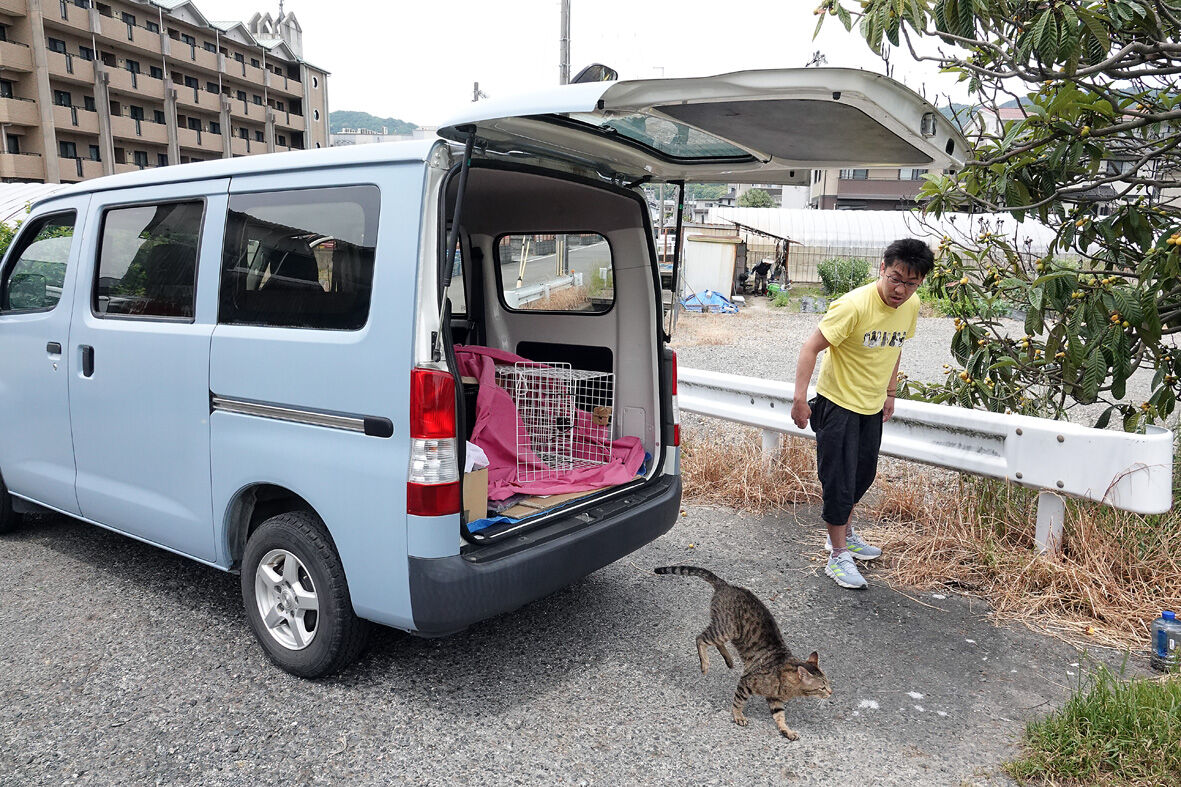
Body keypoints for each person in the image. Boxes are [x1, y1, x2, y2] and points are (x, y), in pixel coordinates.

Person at [790, 239, 934, 590]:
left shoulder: (910, 305)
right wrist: (799, 399)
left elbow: (895, 347)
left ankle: (845, 534)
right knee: (838, 481)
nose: (900, 290)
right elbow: (810, 347)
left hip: (870, 406)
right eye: (895, 278)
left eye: (911, 283)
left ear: (920, 282)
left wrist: (890, 393)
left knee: (862, 476)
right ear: (882, 268)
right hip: (838, 404)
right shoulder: (853, 305)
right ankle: (837, 554)